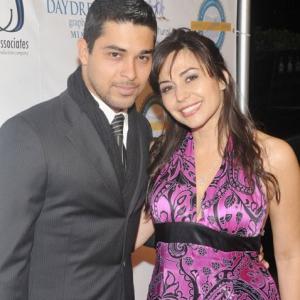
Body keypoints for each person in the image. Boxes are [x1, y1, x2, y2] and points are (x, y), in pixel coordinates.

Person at [0, 0, 157, 299]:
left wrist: (228, 245)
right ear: (84, 51)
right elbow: (4, 267)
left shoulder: (141, 130)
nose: (131, 73)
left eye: (143, 57)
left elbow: (122, 225)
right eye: (115, 55)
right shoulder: (30, 134)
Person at [135, 28, 300, 299]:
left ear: (222, 78)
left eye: (191, 77)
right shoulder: (160, 156)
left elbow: (290, 256)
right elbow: (125, 237)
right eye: (168, 88)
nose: (181, 95)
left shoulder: (273, 156)